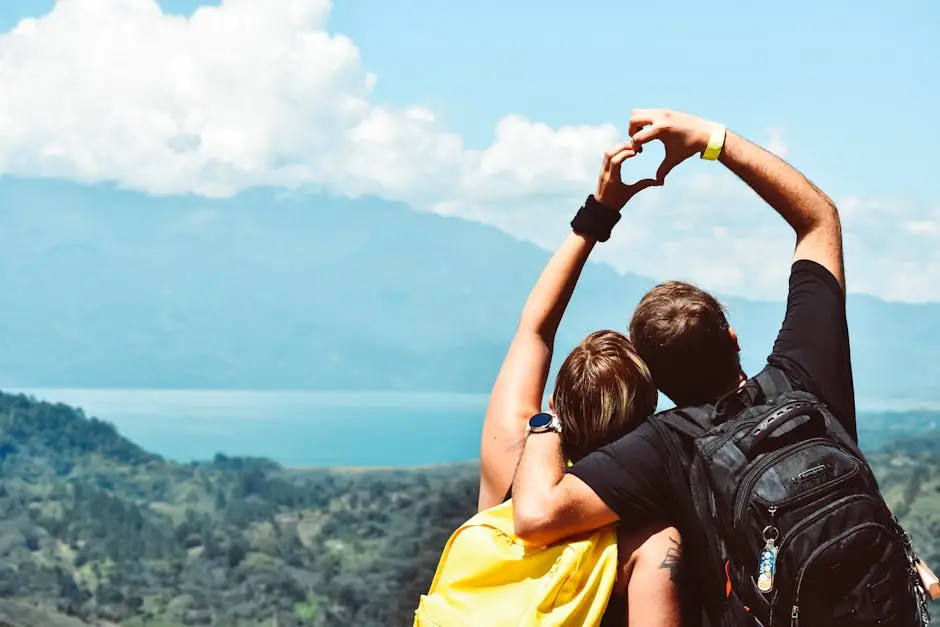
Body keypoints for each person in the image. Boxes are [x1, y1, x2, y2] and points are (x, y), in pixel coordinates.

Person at [509, 108, 865, 625]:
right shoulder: (806, 376)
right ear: (733, 339)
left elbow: (536, 513)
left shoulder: (664, 447)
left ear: (654, 378)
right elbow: (818, 218)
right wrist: (710, 139)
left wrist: (549, 422)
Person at [477, 140, 682, 626]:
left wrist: (600, 213)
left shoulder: (511, 456)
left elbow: (535, 327)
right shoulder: (649, 538)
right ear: (645, 419)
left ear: (554, 402)